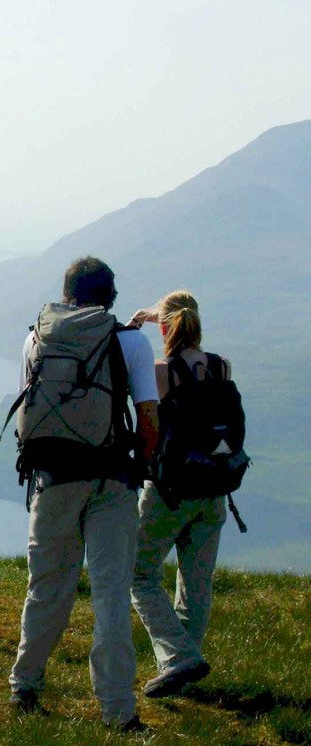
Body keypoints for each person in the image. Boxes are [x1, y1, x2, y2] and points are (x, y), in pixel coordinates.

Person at [8, 257, 159, 730]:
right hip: (111, 481)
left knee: (47, 587)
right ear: (110, 295)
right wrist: (144, 462)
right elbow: (149, 418)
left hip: (51, 480)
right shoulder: (129, 341)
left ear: (67, 294)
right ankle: (118, 713)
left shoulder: (36, 337)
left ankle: (25, 686)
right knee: (111, 595)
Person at [128, 290, 229, 697]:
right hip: (214, 490)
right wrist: (163, 315)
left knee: (138, 573)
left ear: (165, 326)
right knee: (196, 583)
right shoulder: (221, 367)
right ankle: (184, 671)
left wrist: (138, 326)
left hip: (169, 494)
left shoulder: (161, 372)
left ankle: (178, 659)